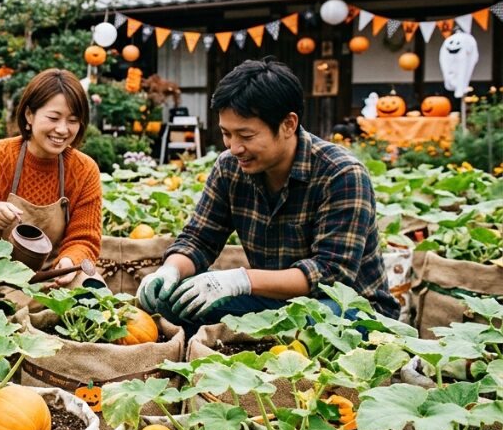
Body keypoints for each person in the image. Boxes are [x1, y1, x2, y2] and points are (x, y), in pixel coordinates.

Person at [137, 58, 399, 335]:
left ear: (288, 124)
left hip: (350, 309)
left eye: (246, 135)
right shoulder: (230, 168)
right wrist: (170, 271)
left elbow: (331, 274)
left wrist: (240, 280)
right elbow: (200, 238)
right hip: (273, 301)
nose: (235, 147)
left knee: (317, 324)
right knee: (174, 301)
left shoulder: (341, 174)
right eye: (227, 134)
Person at [0, 68, 102, 288]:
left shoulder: (84, 170)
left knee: (92, 286)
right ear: (29, 115)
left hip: (51, 278)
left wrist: (69, 261)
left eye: (73, 120)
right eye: (54, 118)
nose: (63, 129)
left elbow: (84, 239)